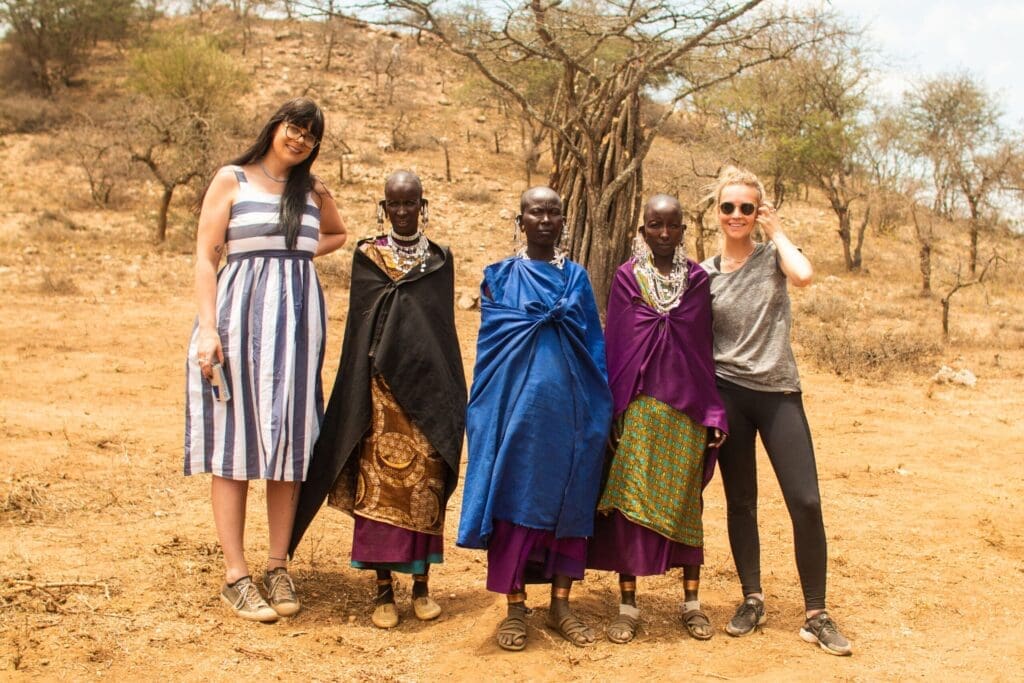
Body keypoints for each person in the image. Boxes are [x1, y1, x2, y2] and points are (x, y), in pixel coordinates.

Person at [185, 98, 347, 622]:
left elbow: (338, 234)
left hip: (298, 329)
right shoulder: (232, 179)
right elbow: (207, 256)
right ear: (274, 127)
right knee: (234, 444)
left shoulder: (313, 191)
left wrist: (294, 255)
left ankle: (278, 565)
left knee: (290, 443)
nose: (299, 140)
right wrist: (208, 329)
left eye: (310, 136)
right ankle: (236, 575)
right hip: (238, 323)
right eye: (293, 129)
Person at [289, 170, 467, 629]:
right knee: (380, 488)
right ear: (384, 207)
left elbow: (439, 331)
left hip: (426, 395)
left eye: (411, 204)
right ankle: (383, 590)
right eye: (395, 204)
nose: (403, 212)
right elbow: (361, 328)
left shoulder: (440, 260)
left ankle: (423, 586)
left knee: (424, 484)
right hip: (379, 395)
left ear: (422, 206)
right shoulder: (368, 257)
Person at [701, 166, 852, 655]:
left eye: (747, 207)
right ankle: (752, 597)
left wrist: (778, 230)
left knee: (805, 500)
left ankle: (816, 613)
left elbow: (805, 276)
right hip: (729, 396)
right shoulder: (703, 274)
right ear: (716, 213)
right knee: (740, 501)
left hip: (778, 393)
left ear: (758, 211)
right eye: (729, 207)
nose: (737, 215)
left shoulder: (773, 259)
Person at [458, 186, 613, 651]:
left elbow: (594, 348)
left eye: (554, 212)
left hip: (569, 414)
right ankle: (515, 607)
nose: (545, 219)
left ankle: (562, 605)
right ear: (520, 219)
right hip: (514, 416)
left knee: (570, 500)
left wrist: (599, 412)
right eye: (535, 211)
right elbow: (492, 351)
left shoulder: (577, 280)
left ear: (564, 221)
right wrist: (488, 415)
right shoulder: (500, 278)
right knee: (513, 501)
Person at [588, 194, 728, 644]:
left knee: (688, 504)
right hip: (640, 407)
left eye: (673, 226)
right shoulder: (628, 278)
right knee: (629, 503)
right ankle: (628, 605)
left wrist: (712, 410)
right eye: (655, 226)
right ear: (642, 230)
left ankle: (692, 604)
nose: (664, 234)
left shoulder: (698, 280)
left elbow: (702, 351)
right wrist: (612, 408)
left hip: (687, 410)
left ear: (684, 230)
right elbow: (618, 347)